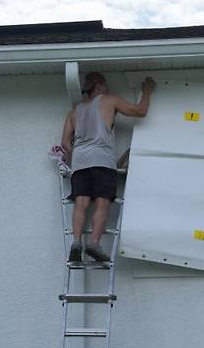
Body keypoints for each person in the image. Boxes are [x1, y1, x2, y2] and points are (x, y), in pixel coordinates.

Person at [61, 72, 156, 262]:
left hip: (79, 163)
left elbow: (64, 143)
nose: (108, 89)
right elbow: (140, 111)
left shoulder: (74, 111)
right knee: (103, 202)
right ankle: (94, 243)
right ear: (98, 86)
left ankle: (76, 242)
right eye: (105, 85)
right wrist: (147, 92)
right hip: (101, 159)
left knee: (81, 203)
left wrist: (78, 156)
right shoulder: (109, 100)